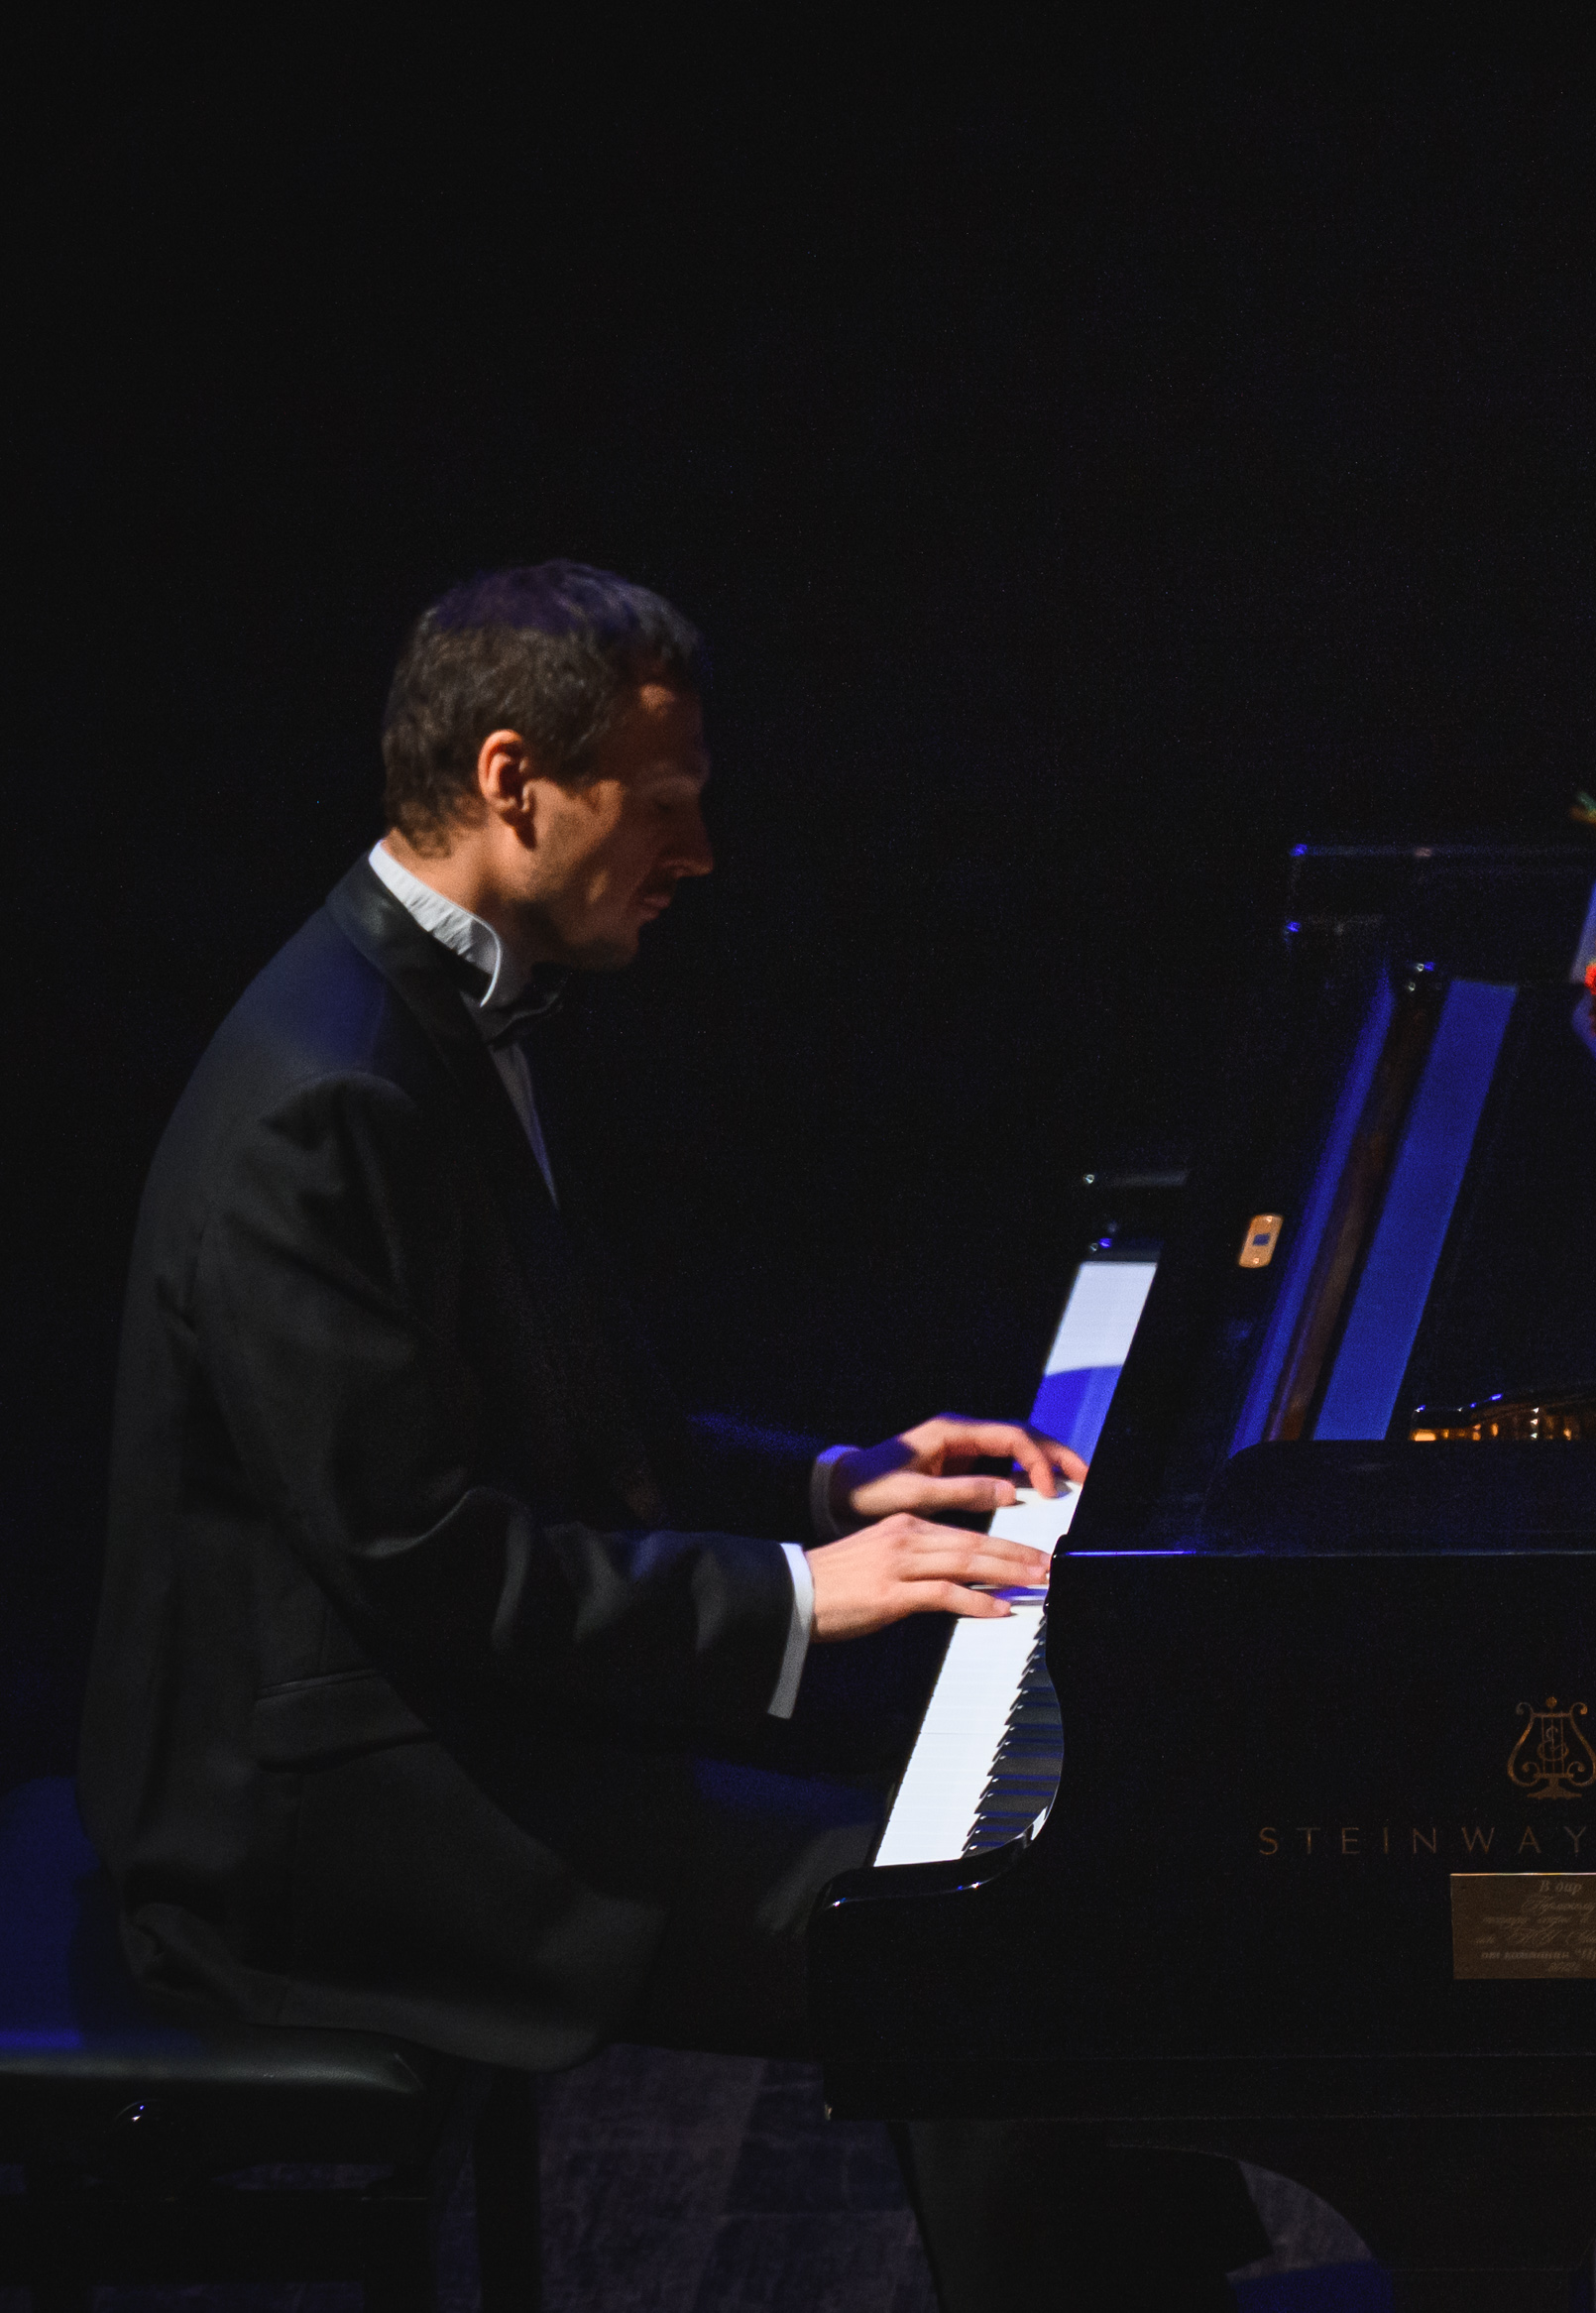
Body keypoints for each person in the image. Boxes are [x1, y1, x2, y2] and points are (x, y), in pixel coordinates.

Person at [83, 562, 1266, 2301]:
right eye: (665, 802)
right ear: (513, 782)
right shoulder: (326, 1098)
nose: (701, 853)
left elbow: (550, 1417)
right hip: (323, 1814)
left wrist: (827, 1481)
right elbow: (429, 1556)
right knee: (980, 1930)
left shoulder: (435, 1012)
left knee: (1015, 1842)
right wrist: (796, 1591)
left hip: (446, 1713)